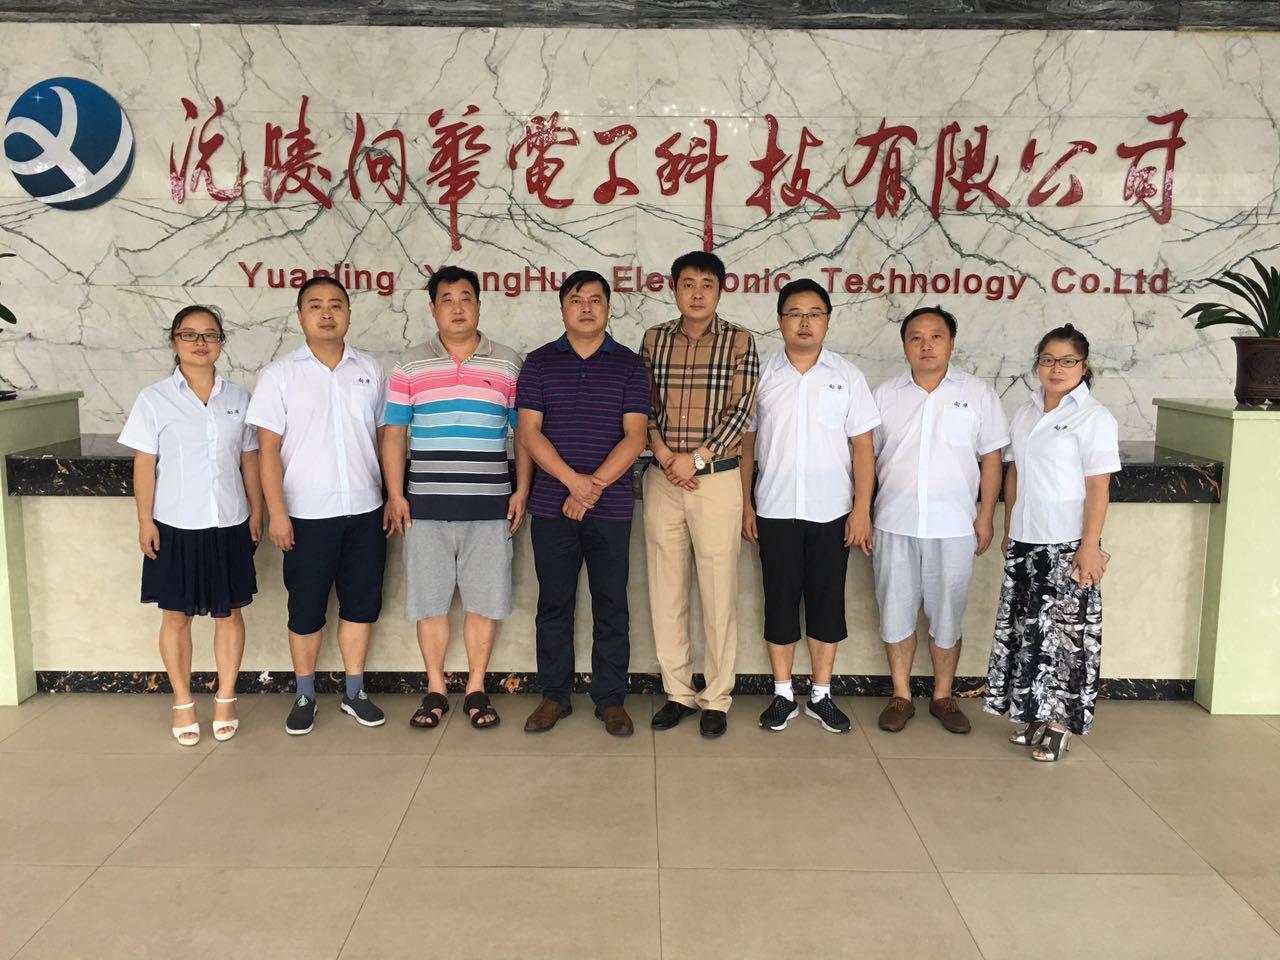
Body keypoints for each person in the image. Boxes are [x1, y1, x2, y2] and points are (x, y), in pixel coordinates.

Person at [381, 266, 530, 731]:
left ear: (480, 305)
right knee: (430, 603)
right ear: (433, 308)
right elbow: (394, 434)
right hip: (424, 506)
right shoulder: (409, 364)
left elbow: (524, 435)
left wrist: (522, 489)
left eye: (466, 297)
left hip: (489, 505)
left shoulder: (508, 363)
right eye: (447, 299)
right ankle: (435, 689)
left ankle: (477, 688)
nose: (458, 307)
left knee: (484, 602)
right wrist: (395, 494)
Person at [246, 276, 390, 736]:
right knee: (306, 609)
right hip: (305, 516)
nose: (326, 313)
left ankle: (354, 692)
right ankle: (305, 695)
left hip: (366, 510)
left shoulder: (371, 370)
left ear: (348, 313)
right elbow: (267, 451)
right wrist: (277, 513)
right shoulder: (279, 375)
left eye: (335, 305)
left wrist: (391, 497)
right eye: (315, 305)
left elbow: (387, 438)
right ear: (300, 316)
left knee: (360, 606)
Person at [120, 305, 262, 745]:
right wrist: (145, 520)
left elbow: (249, 460)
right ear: (174, 341)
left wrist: (257, 510)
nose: (201, 343)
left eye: (210, 335)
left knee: (230, 614)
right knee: (176, 616)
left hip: (228, 521)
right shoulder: (154, 399)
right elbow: (145, 465)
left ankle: (226, 697)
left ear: (221, 342)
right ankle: (182, 701)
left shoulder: (239, 399)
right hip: (174, 524)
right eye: (189, 334)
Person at [741, 279, 878, 734]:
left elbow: (863, 447)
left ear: (827, 321)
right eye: (795, 313)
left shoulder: (848, 376)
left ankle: (821, 695)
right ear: (779, 321)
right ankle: (783, 694)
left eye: (814, 313)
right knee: (779, 604)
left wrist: (861, 509)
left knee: (826, 604)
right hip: (775, 507)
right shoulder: (761, 375)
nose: (805, 322)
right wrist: (746, 505)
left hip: (832, 511)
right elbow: (746, 444)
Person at [516, 270, 649, 736]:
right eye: (577, 299)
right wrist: (573, 482)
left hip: (611, 510)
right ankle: (554, 695)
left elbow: (636, 437)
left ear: (609, 308)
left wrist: (591, 489)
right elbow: (529, 432)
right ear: (562, 309)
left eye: (596, 299)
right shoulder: (538, 363)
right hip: (551, 505)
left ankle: (610, 700)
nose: (586, 307)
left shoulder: (630, 365)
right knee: (554, 603)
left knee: (611, 604)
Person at [870, 307, 1009, 734]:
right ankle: (901, 695)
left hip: (954, 526)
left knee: (948, 616)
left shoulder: (978, 393)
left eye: (936, 336)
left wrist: (986, 516)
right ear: (904, 346)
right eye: (916, 337)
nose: (926, 345)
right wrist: (862, 513)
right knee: (895, 613)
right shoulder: (884, 395)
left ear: (951, 343)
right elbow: (865, 459)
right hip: (893, 522)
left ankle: (943, 697)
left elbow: (992, 459)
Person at [985, 323, 1120, 761]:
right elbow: (1015, 473)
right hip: (1026, 539)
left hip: (1067, 542)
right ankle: (1034, 717)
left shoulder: (1094, 417)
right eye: (1048, 360)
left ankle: (1060, 725)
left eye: (1067, 361)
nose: (1056, 369)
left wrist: (1089, 545)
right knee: (1029, 632)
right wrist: (1010, 527)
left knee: (1065, 638)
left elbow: (1098, 487)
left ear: (1084, 365)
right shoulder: (1025, 411)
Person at [641, 250, 760, 738]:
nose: (696, 293)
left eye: (706, 284)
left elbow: (741, 409)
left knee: (717, 593)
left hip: (716, 479)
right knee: (666, 590)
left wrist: (696, 458)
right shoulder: (654, 339)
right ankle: (677, 693)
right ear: (673, 288)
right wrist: (664, 453)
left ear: (720, 291)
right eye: (687, 283)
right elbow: (643, 405)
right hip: (662, 478)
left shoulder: (740, 341)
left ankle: (716, 697)